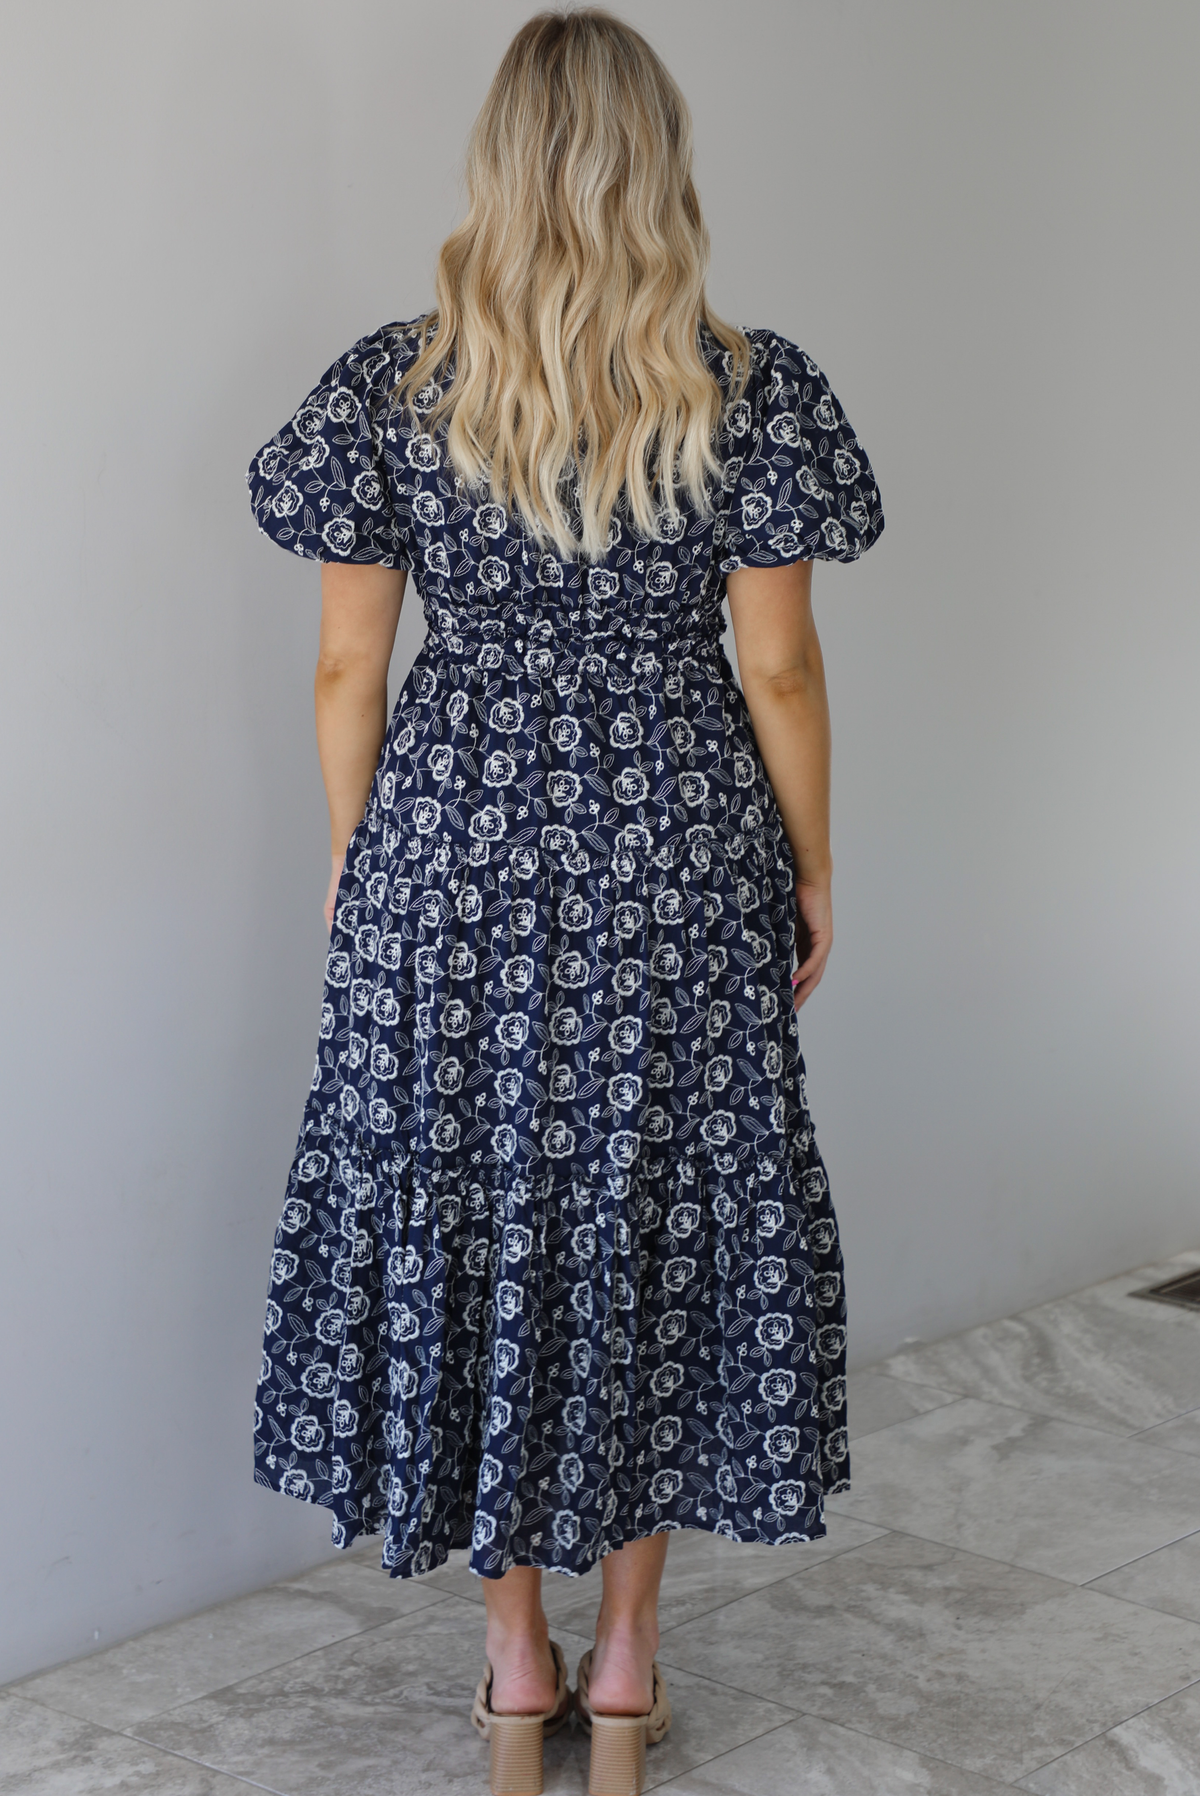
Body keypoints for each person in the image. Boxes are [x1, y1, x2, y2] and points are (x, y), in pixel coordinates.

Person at [247, 10, 883, 1793]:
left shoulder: (393, 383)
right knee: (657, 1233)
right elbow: (781, 672)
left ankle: (513, 1666)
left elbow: (341, 672)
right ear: (661, 169)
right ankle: (625, 1664)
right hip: (677, 862)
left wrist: (364, 859)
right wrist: (813, 862)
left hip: (449, 853)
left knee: (480, 1230)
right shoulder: (750, 387)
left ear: (498, 166)